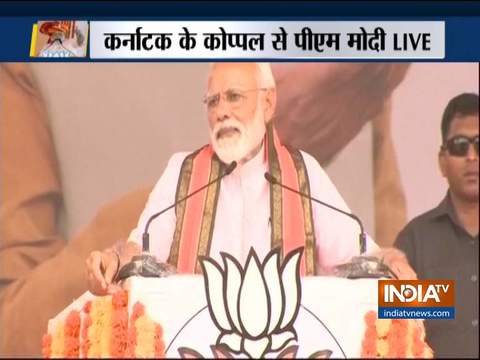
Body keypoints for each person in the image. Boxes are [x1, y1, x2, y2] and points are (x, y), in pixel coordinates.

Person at [85, 62, 415, 295]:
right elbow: (140, 251)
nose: (221, 111)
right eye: (212, 101)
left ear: (268, 103)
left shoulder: (302, 174)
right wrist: (112, 262)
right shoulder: (181, 173)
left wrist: (393, 263)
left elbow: (360, 255)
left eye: (234, 97)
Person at [394, 93, 479, 358]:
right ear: (442, 161)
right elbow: (395, 332)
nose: (472, 157)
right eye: (459, 145)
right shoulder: (414, 242)